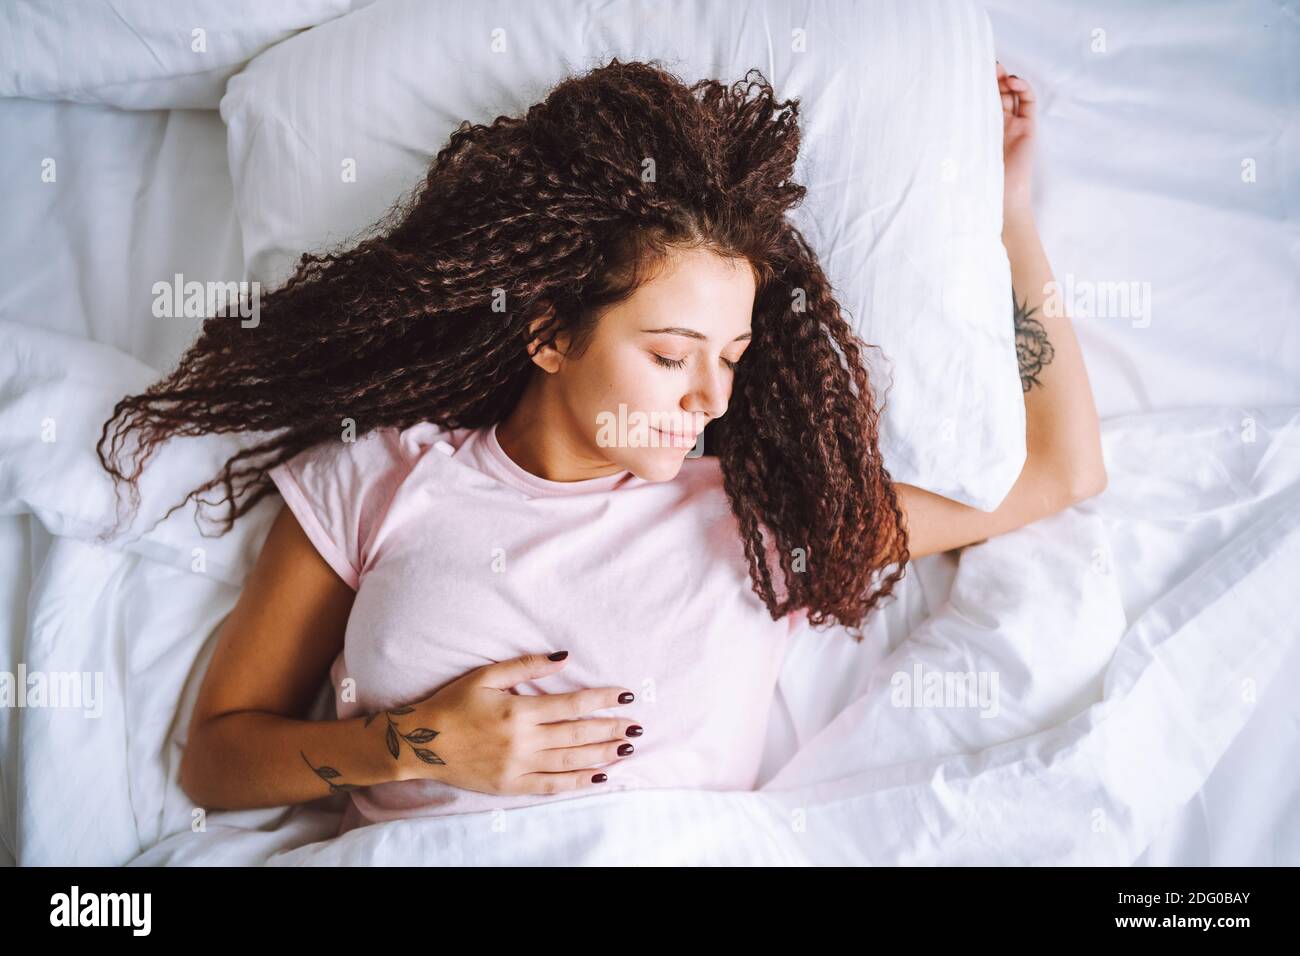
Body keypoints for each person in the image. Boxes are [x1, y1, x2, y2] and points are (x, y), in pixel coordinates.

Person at [96, 58, 1104, 833]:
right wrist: (413, 746)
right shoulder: (377, 475)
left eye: (733, 356)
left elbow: (1062, 472)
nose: (709, 396)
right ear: (548, 333)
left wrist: (1008, 216)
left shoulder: (762, 517)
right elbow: (216, 760)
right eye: (670, 355)